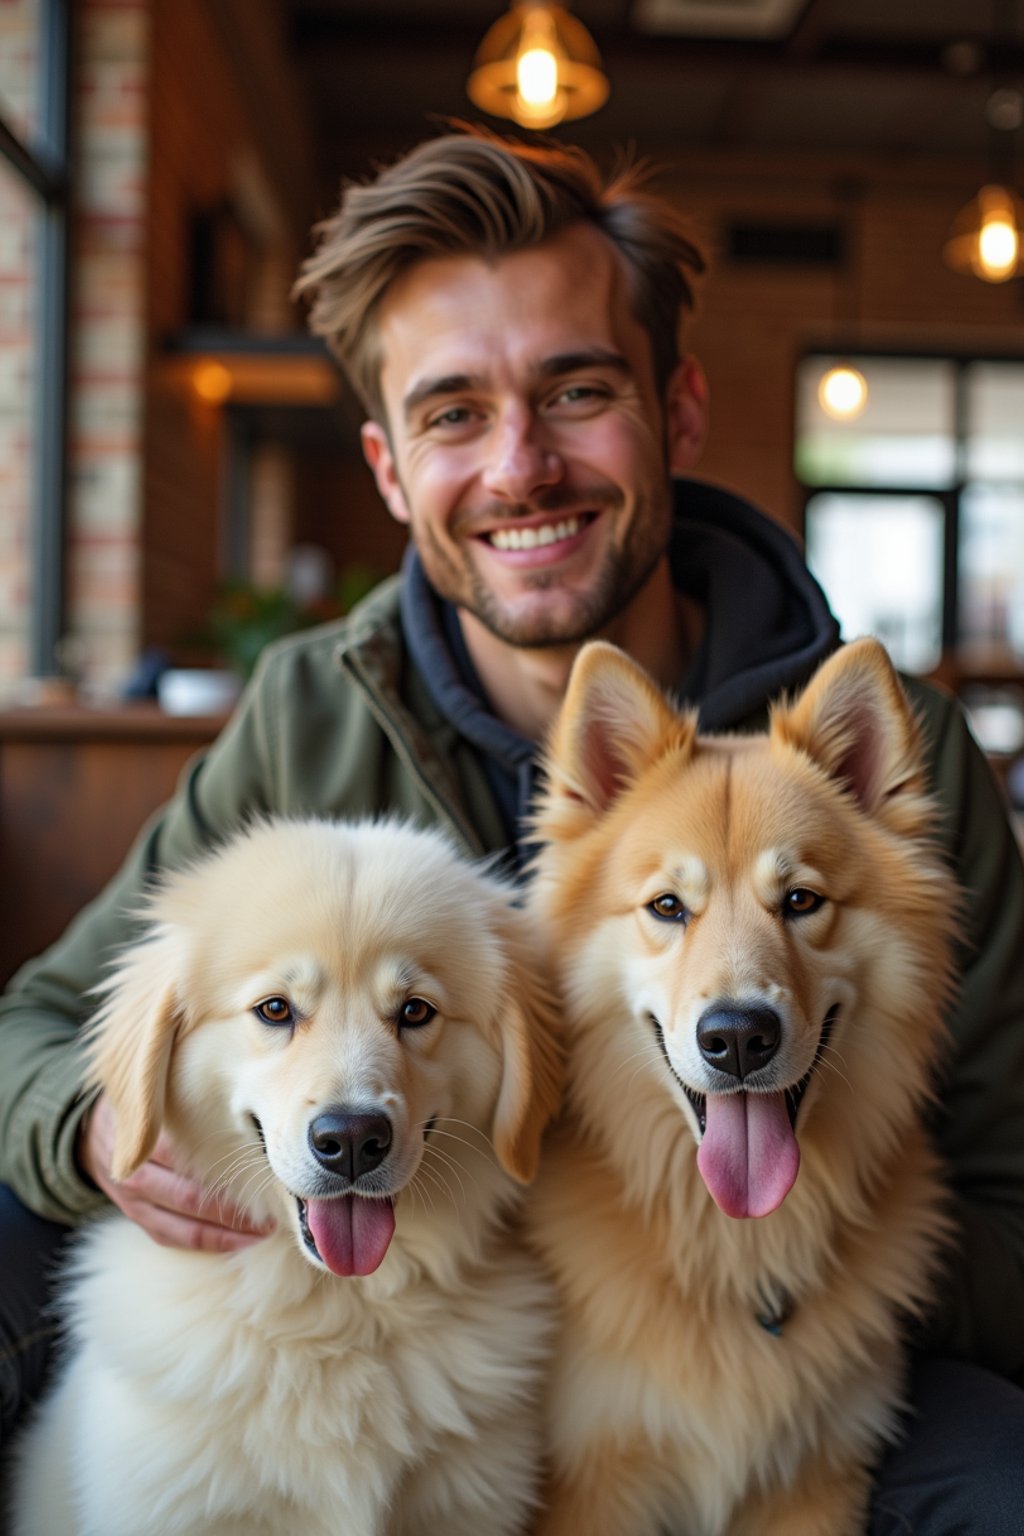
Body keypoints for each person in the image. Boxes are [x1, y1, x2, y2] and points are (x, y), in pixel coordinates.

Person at [1, 126, 1023, 1532]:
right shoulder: (312, 711)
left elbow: (1012, 1183)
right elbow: (42, 1028)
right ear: (386, 464)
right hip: (406, 1317)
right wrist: (102, 1132)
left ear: (678, 406)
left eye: (576, 390)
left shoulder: (879, 757)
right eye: (453, 413)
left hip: (801, 1337)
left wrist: (802, 1250)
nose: (522, 465)